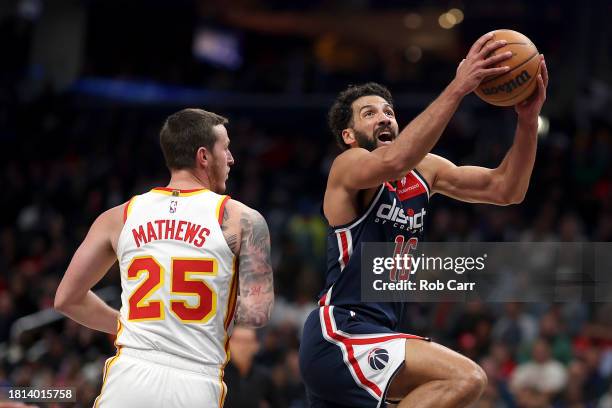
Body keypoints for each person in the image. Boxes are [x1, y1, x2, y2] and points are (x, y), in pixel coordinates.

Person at [299, 32, 548, 408]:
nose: (383, 117)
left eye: (388, 112)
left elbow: (506, 189)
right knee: (466, 377)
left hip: (377, 333)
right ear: (349, 135)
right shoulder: (348, 165)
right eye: (370, 114)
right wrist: (459, 86)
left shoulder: (425, 171)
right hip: (341, 331)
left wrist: (527, 122)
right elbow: (393, 161)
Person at [54, 108, 274, 407]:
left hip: (130, 375)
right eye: (226, 148)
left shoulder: (118, 216)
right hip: (195, 380)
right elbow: (257, 314)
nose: (232, 158)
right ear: (204, 156)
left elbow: (66, 299)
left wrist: (124, 324)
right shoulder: (243, 219)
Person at [224, 326, 283, 408]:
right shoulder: (219, 376)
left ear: (256, 346)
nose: (242, 347)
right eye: (237, 341)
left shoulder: (264, 378)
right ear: (228, 345)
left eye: (247, 341)